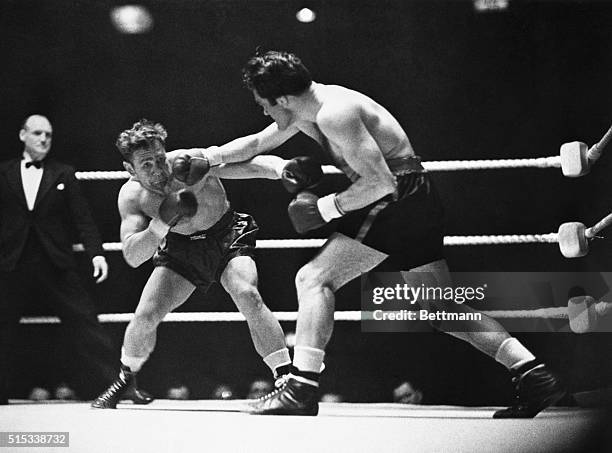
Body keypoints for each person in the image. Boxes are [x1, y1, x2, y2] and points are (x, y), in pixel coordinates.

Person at [210, 51, 566, 417]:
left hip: (396, 197)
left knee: (314, 278)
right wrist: (205, 158)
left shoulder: (335, 113)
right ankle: (534, 374)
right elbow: (254, 145)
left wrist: (325, 208)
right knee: (439, 306)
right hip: (415, 197)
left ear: (281, 99)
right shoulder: (307, 109)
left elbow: (381, 182)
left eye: (263, 105)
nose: (264, 112)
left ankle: (301, 386)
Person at [92, 119, 315, 408]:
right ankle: (126, 380)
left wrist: (280, 168)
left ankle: (285, 378)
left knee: (248, 294)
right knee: (145, 315)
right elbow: (133, 256)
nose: (159, 170)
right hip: (180, 249)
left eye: (160, 159)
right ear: (130, 170)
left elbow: (245, 162)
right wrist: (162, 221)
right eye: (146, 165)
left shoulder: (187, 164)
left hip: (225, 235)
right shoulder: (132, 196)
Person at [0, 115, 126, 405]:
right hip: (11, 262)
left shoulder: (63, 172)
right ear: (22, 135)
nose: (43, 139)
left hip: (54, 262)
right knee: (2, 326)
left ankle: (117, 386)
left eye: (48, 135)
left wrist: (96, 253)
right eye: (37, 133)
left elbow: (82, 217)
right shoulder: (3, 172)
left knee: (85, 322)